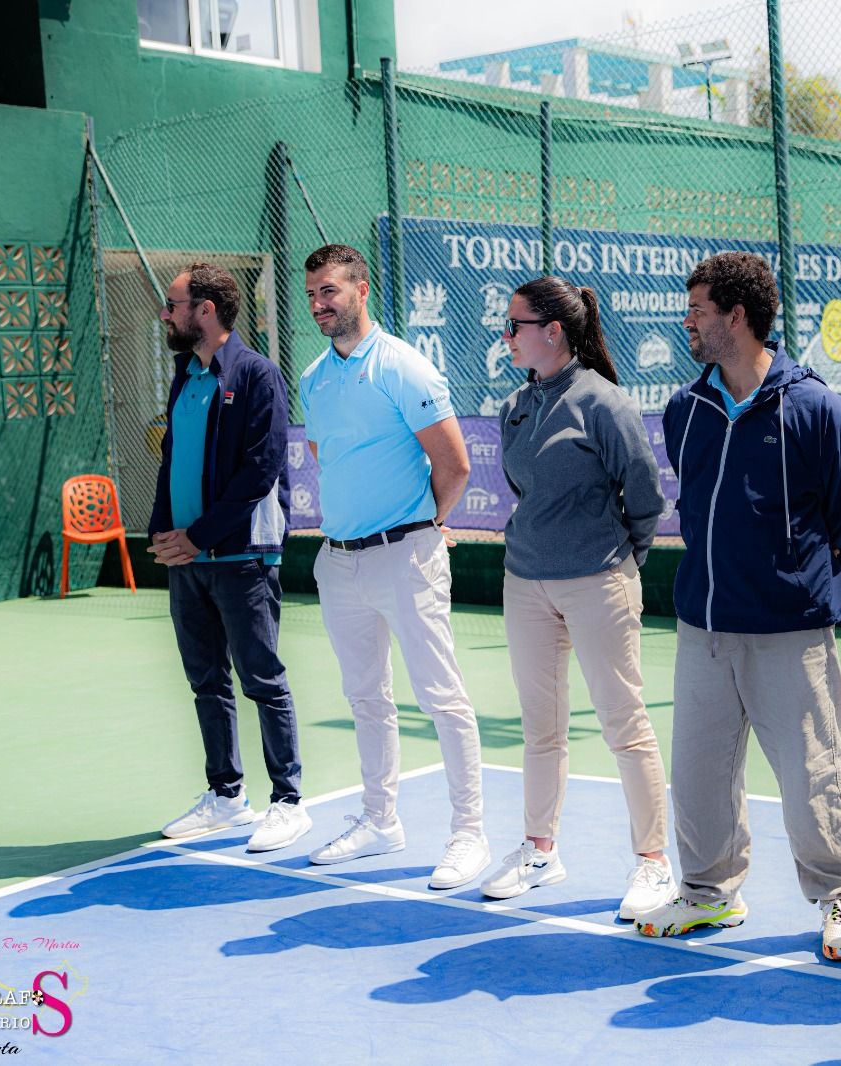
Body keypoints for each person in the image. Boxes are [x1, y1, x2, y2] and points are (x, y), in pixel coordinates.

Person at [634, 251, 841, 962]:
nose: (689, 321)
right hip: (703, 627)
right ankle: (709, 894)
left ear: (737, 316)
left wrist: (799, 587)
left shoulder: (814, 406)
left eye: (698, 310)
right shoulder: (686, 409)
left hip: (788, 632)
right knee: (700, 774)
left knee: (811, 774)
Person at [479, 275, 674, 921]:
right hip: (525, 582)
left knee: (624, 725)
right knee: (541, 729)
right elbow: (525, 492)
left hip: (599, 582)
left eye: (515, 325)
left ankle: (653, 861)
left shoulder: (604, 401)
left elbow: (643, 495)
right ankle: (540, 850)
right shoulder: (516, 406)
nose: (506, 336)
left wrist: (620, 566)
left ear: (553, 331)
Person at [297, 243, 489, 889]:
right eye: (314, 294)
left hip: (407, 557)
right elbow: (334, 460)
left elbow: (455, 465)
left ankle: (470, 835)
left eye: (331, 291)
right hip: (338, 564)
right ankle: (380, 821)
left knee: (442, 698)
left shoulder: (405, 368)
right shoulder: (313, 378)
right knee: (365, 698)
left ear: (361, 290)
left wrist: (423, 531)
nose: (320, 304)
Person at [150, 262, 308, 853]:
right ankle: (226, 795)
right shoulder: (184, 375)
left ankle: (288, 800)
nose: (165, 314)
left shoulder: (257, 375)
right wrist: (165, 531)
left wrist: (202, 535)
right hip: (189, 561)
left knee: (261, 678)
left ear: (206, 310)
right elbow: (173, 459)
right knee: (205, 680)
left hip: (243, 556)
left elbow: (259, 470)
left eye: (173, 305)